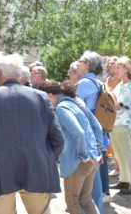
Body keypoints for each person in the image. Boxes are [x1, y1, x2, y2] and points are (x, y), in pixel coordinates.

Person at [0, 54, 64, 214]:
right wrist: (46, 158)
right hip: (36, 167)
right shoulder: (41, 97)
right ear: (20, 76)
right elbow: (58, 138)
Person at [38, 80, 102, 214]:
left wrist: (84, 155)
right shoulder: (77, 101)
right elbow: (97, 125)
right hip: (93, 158)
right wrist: (98, 149)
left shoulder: (61, 108)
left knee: (72, 202)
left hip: (78, 161)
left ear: (49, 95)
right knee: (86, 200)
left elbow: (78, 132)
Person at [76, 50, 108, 208]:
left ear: (87, 64)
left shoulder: (84, 84)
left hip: (87, 138)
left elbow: (78, 111)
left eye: (80, 61)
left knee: (86, 183)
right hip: (98, 136)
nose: (78, 64)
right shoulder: (98, 82)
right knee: (94, 181)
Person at [108, 57, 131, 195]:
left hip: (123, 123)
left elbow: (116, 104)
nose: (116, 70)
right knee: (119, 153)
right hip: (116, 122)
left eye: (119, 68)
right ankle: (124, 180)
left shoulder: (129, 87)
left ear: (127, 69)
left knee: (127, 153)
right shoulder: (121, 84)